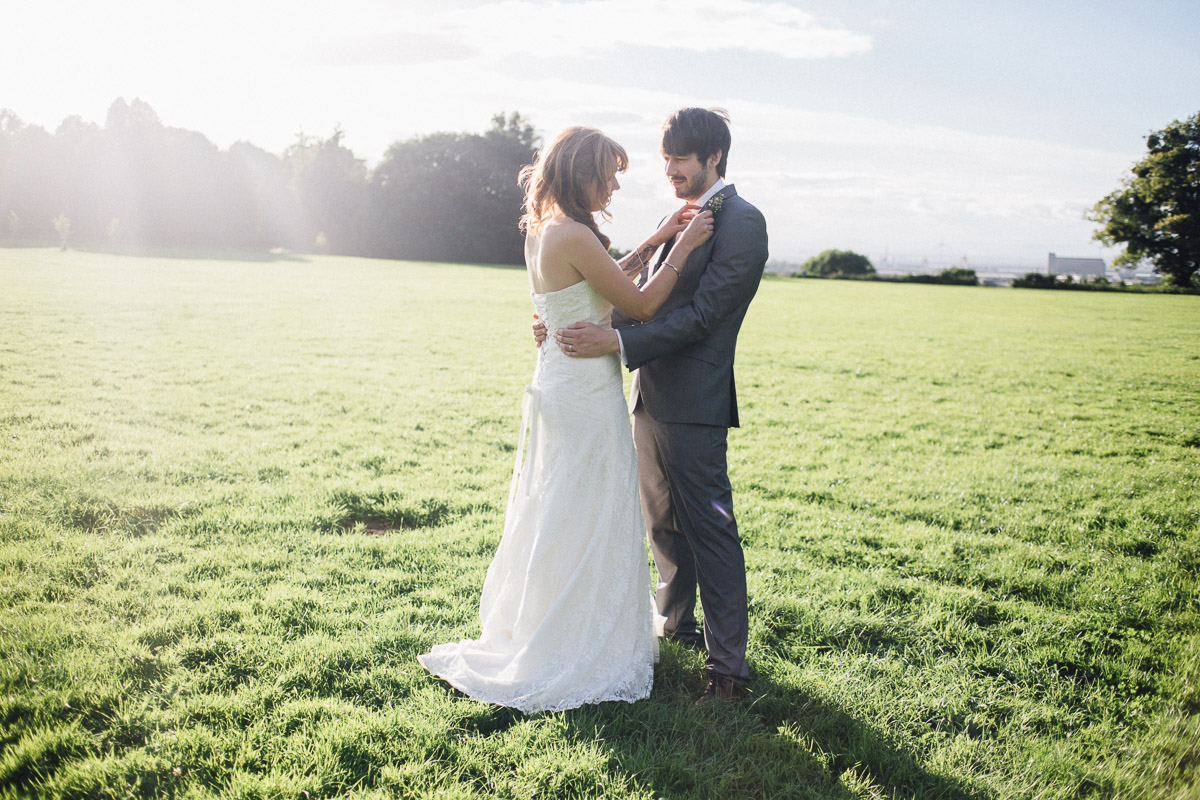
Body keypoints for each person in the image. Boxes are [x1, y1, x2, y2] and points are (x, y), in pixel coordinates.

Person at [418, 126, 714, 713]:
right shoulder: (575, 234)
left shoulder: (545, 230)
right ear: (581, 173)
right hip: (582, 390)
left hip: (559, 380)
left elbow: (594, 285)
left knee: (563, 504)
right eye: (608, 172)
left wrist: (654, 237)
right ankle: (571, 641)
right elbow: (641, 304)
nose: (614, 183)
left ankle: (551, 622)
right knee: (588, 505)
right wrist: (681, 248)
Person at [541, 108, 768, 702]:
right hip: (643, 396)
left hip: (694, 401)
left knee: (711, 530)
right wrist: (570, 320)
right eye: (665, 158)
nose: (669, 169)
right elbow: (634, 293)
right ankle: (676, 626)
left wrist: (615, 339)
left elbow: (703, 315)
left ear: (714, 157)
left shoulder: (744, 222)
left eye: (681, 159)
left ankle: (728, 670)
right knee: (662, 524)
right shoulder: (679, 217)